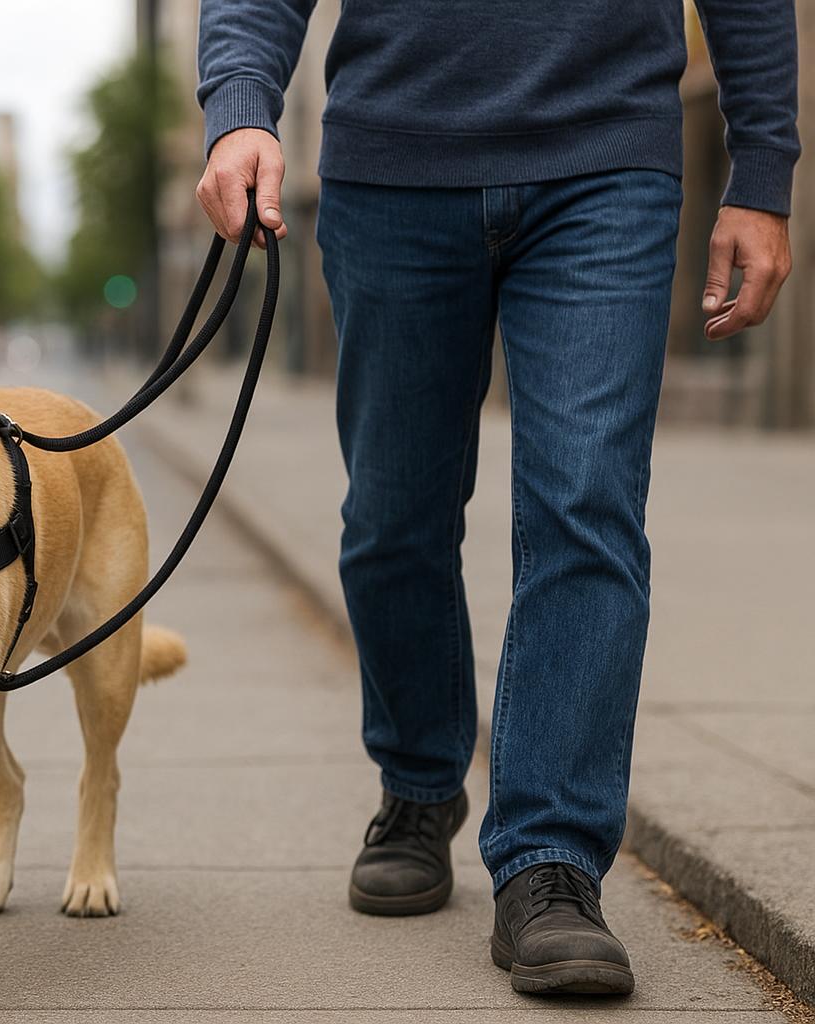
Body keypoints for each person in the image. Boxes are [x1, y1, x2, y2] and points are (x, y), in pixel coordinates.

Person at [195, 0, 797, 996]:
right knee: (393, 519)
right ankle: (420, 783)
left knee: (588, 506)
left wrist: (764, 169)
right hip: (392, 162)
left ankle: (550, 859)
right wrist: (243, 101)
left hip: (608, 154)